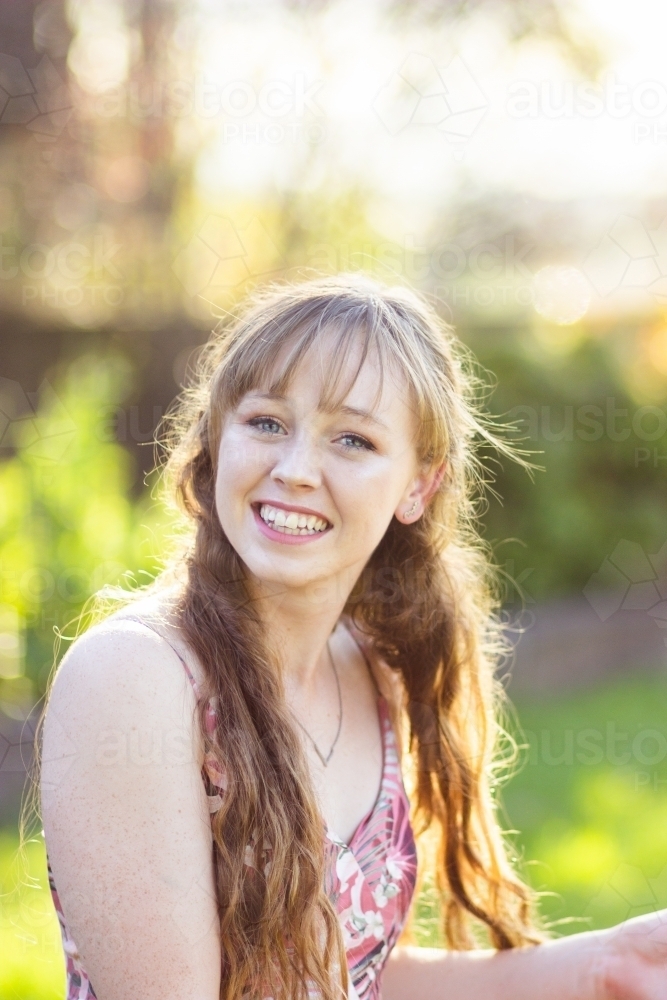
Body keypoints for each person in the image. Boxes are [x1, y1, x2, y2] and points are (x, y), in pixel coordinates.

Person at [36, 275, 666, 1000]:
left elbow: (343, 977)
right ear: (216, 436)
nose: (296, 470)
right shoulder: (135, 677)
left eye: (352, 439)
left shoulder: (372, 673)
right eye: (266, 422)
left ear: (418, 487)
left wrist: (612, 963)